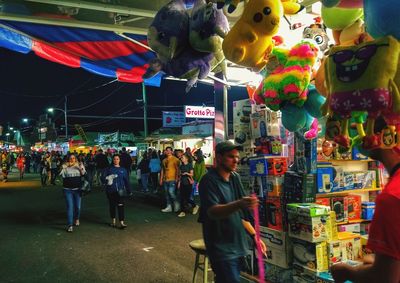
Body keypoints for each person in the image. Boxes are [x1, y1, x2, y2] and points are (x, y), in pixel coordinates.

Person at [331, 118, 400, 283]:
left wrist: (348, 272)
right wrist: (381, 260)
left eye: (361, 127)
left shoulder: (391, 197)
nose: (357, 137)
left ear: (382, 135)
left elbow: (384, 279)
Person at [198, 141, 267, 283]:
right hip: (221, 249)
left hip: (239, 245)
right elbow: (212, 212)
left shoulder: (235, 178)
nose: (236, 160)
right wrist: (239, 203)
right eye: (231, 156)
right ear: (218, 157)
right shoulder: (208, 181)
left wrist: (255, 236)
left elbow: (241, 214)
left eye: (237, 156)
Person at [103, 154, 131, 229]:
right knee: (112, 206)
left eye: (117, 159)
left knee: (121, 206)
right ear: (112, 160)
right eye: (114, 159)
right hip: (110, 190)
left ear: (119, 160)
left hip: (120, 191)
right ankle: (113, 221)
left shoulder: (123, 170)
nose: (116, 160)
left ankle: (122, 222)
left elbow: (126, 181)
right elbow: (103, 178)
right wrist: (108, 178)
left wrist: (129, 190)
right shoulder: (109, 169)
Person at [60, 154, 86, 232]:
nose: (72, 159)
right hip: (67, 190)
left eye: (73, 158)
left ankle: (77, 218)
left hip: (78, 190)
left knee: (78, 207)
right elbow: (60, 175)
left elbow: (84, 174)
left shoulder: (79, 165)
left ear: (76, 159)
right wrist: (63, 167)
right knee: (70, 207)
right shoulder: (65, 166)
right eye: (70, 158)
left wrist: (79, 168)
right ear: (68, 159)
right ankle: (70, 225)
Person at [160, 146, 181, 212]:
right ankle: (169, 207)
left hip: (173, 178)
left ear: (172, 151)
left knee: (171, 192)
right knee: (166, 194)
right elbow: (162, 170)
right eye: (167, 150)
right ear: (165, 152)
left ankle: (176, 203)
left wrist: (177, 178)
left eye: (169, 150)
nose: (168, 152)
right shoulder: (164, 160)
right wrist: (161, 179)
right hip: (165, 179)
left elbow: (178, 170)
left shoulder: (176, 160)